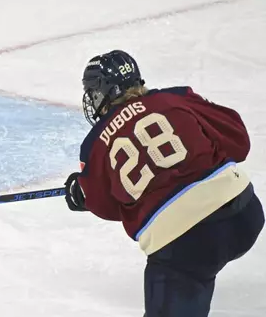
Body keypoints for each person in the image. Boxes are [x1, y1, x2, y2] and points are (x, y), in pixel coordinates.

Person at [64, 50, 264, 316]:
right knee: (207, 256)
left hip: (184, 246)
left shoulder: (95, 144)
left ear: (106, 91)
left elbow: (109, 205)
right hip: (244, 214)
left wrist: (83, 193)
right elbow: (238, 140)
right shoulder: (176, 97)